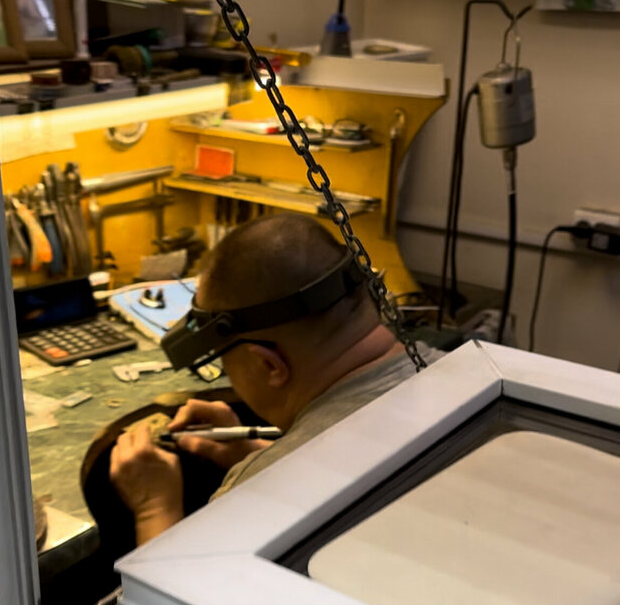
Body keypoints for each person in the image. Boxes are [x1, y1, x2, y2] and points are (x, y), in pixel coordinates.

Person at [110, 213, 442, 544]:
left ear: (270, 365)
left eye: (225, 360)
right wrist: (255, 454)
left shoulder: (255, 499)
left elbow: (172, 581)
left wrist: (155, 508)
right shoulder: (451, 368)